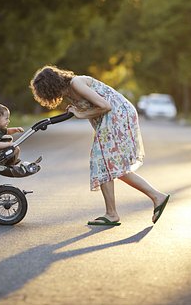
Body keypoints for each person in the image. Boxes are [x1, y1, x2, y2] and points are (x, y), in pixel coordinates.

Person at [29, 65, 170, 226]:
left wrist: (80, 114)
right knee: (111, 165)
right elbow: (94, 112)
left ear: (52, 87)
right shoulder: (69, 92)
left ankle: (113, 213)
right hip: (111, 118)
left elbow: (105, 106)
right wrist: (95, 130)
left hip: (118, 114)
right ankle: (155, 197)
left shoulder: (76, 83)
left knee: (103, 162)